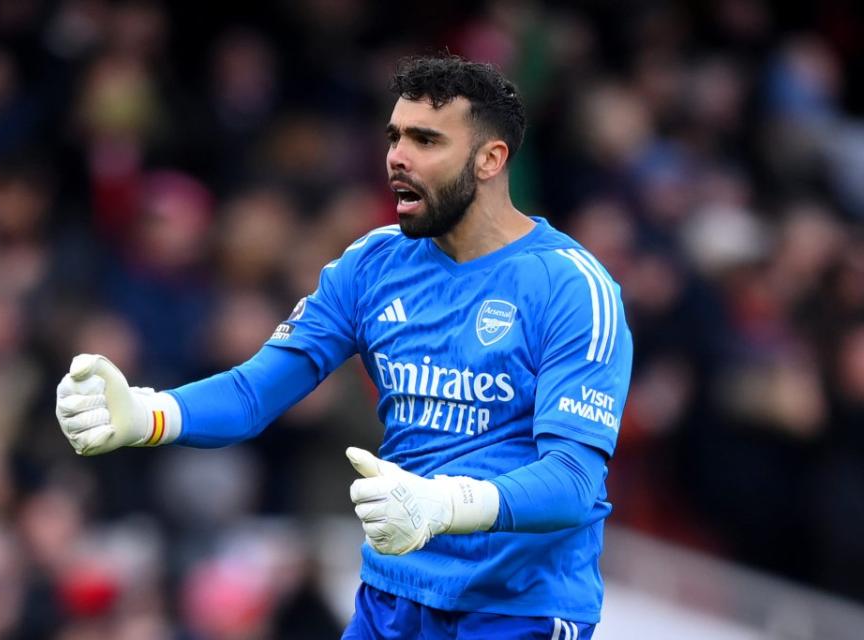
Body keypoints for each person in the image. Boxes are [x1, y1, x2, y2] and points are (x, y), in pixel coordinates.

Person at [56, 55, 632, 640]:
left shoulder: (571, 287)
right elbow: (255, 392)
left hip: (516, 610)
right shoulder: (373, 264)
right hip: (392, 600)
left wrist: (443, 505)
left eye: (425, 140)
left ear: (490, 159)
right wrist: (149, 413)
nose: (397, 157)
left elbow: (571, 482)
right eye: (394, 137)